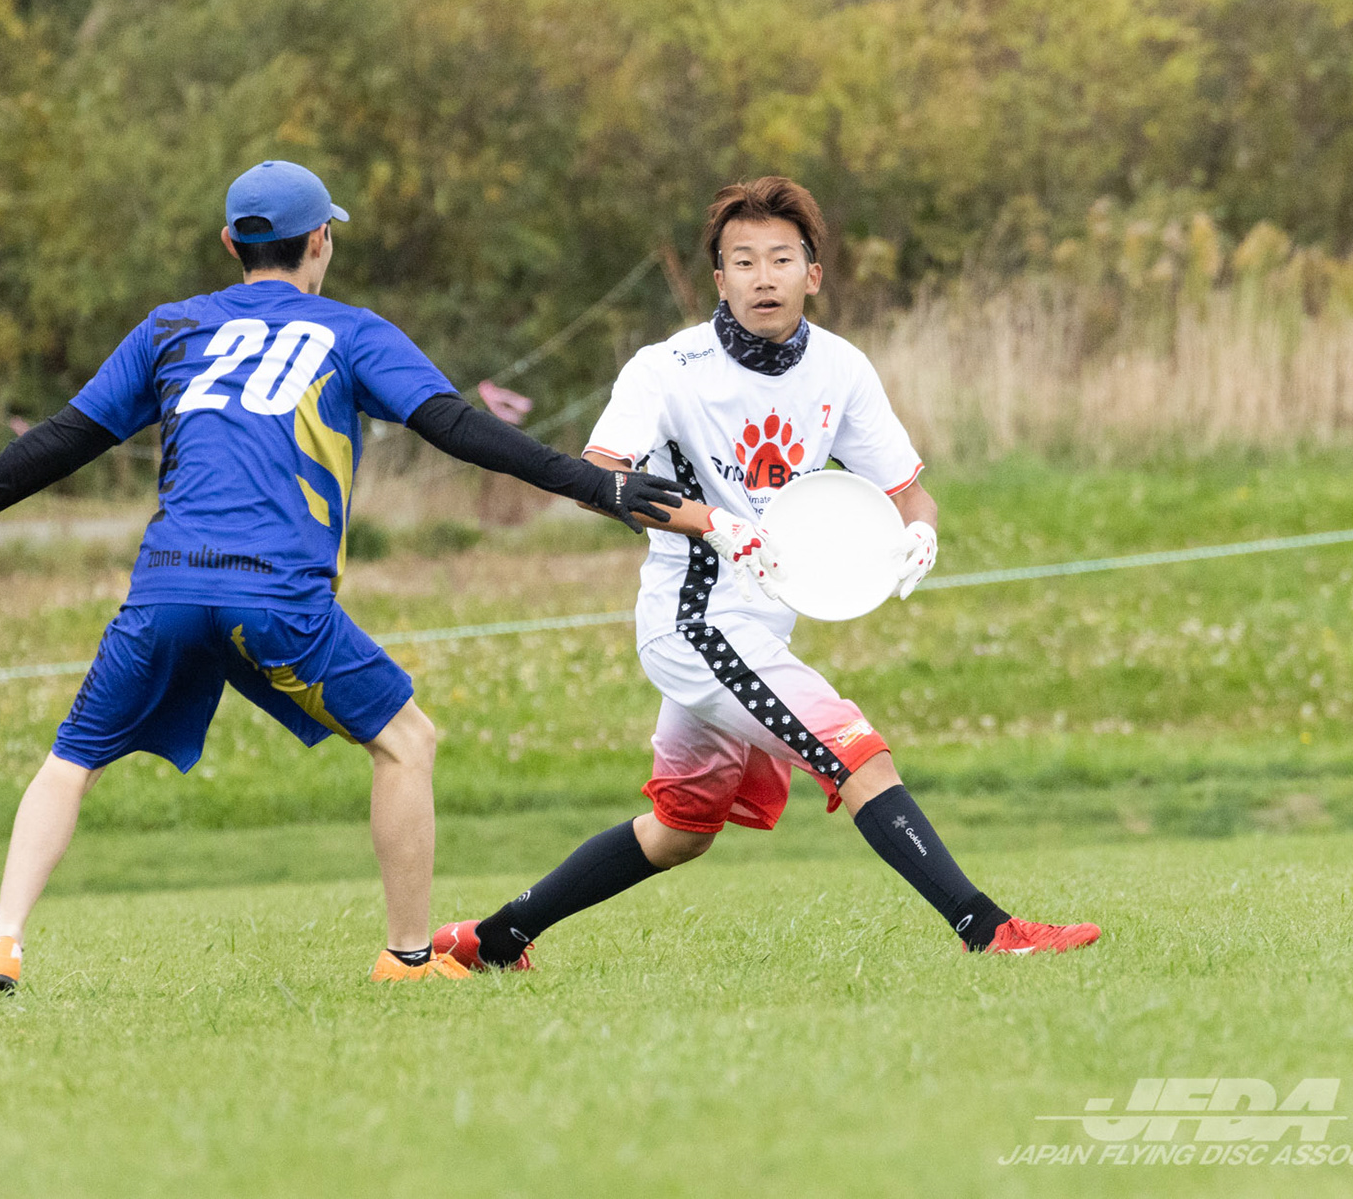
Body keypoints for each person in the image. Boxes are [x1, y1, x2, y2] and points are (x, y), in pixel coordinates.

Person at [0, 160, 685, 992]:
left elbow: (58, 443)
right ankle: (406, 959)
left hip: (167, 590)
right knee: (406, 742)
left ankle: (2, 941)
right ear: (321, 240)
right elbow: (461, 430)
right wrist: (598, 485)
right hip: (274, 597)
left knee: (72, 760)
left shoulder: (171, 328)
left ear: (230, 243)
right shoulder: (351, 332)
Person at [434, 176, 1101, 972]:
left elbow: (907, 491)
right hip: (694, 623)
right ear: (719, 279)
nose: (763, 277)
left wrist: (920, 532)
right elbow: (598, 477)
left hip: (760, 627)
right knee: (857, 752)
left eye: (781, 259)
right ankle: (987, 929)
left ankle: (489, 942)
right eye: (743, 261)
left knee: (681, 829)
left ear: (812, 273)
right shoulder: (667, 368)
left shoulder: (842, 368)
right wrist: (711, 523)